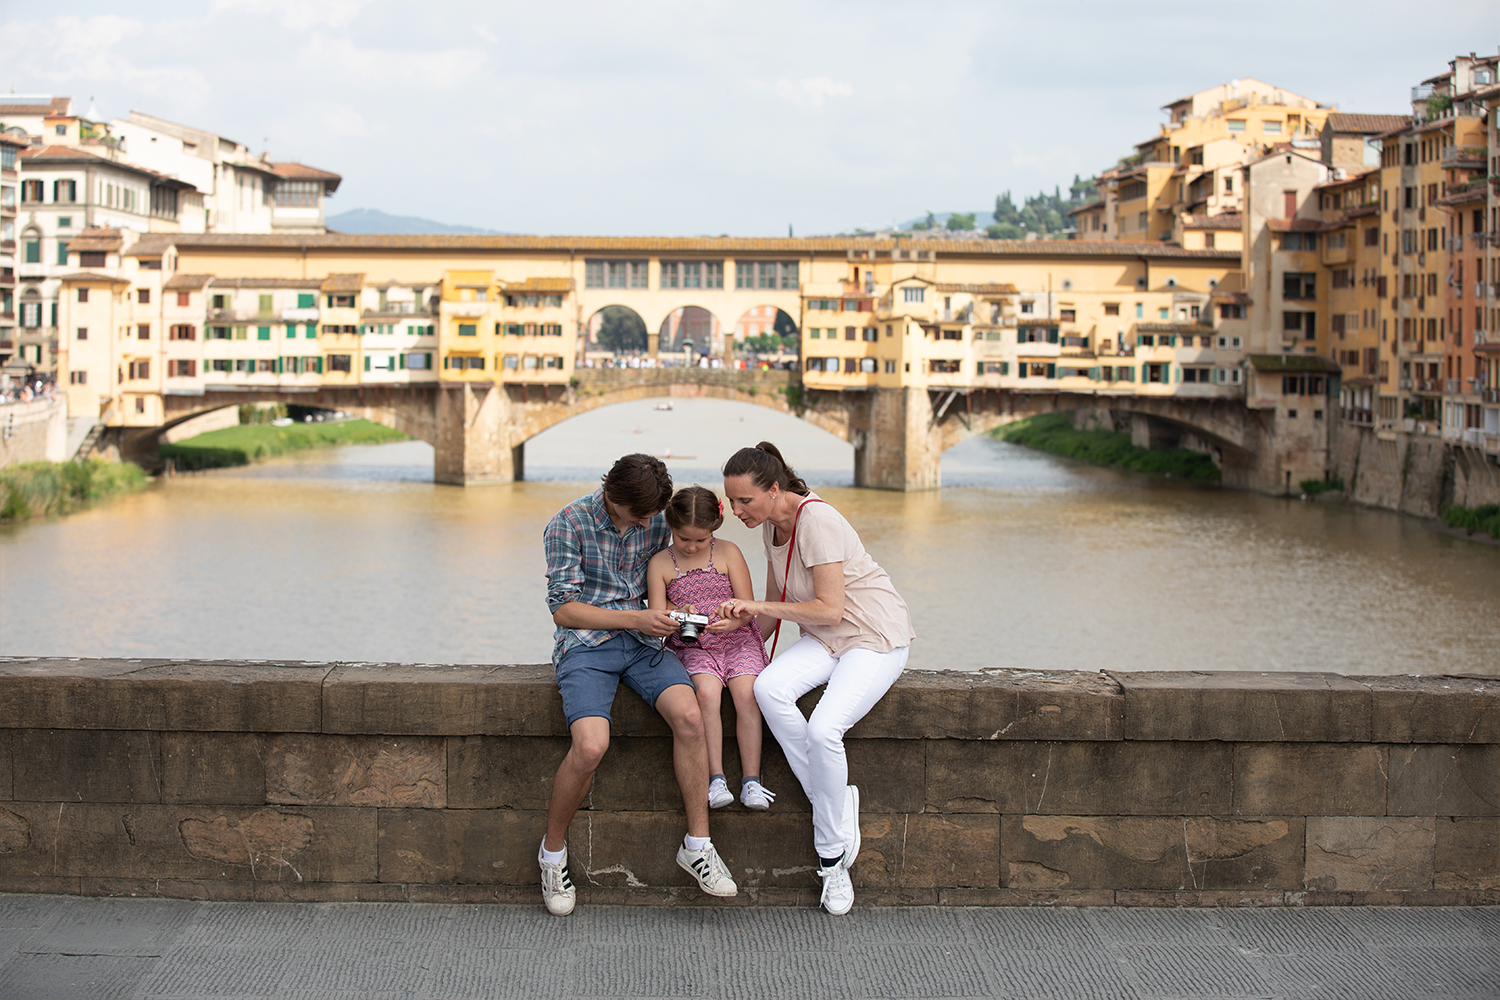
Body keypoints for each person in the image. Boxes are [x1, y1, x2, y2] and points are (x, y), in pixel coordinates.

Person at [718, 442, 914, 916]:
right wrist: (729, 650)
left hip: (871, 636)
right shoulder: (770, 528)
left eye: (745, 500)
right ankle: (834, 801)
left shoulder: (818, 522)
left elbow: (829, 607)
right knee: (767, 688)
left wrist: (757, 608)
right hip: (825, 639)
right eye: (730, 500)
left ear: (775, 488)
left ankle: (832, 860)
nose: (734, 510)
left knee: (826, 729)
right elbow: (769, 614)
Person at [539, 454, 738, 916]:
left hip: (647, 643)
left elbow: (693, 549)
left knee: (691, 717)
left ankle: (698, 846)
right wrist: (635, 617)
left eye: (654, 515)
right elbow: (563, 609)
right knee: (590, 747)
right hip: (586, 646)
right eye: (641, 515)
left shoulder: (654, 519)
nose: (651, 524)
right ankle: (552, 855)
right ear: (612, 497)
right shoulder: (567, 524)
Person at [646, 485, 775, 812]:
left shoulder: (729, 553)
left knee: (747, 694)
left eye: (700, 540)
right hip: (694, 642)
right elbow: (659, 614)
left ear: (714, 529)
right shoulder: (660, 563)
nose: (691, 546)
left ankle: (752, 780)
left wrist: (732, 621)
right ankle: (716, 777)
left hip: (737, 637)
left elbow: (748, 605)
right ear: (671, 528)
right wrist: (682, 615)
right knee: (705, 693)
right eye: (683, 538)